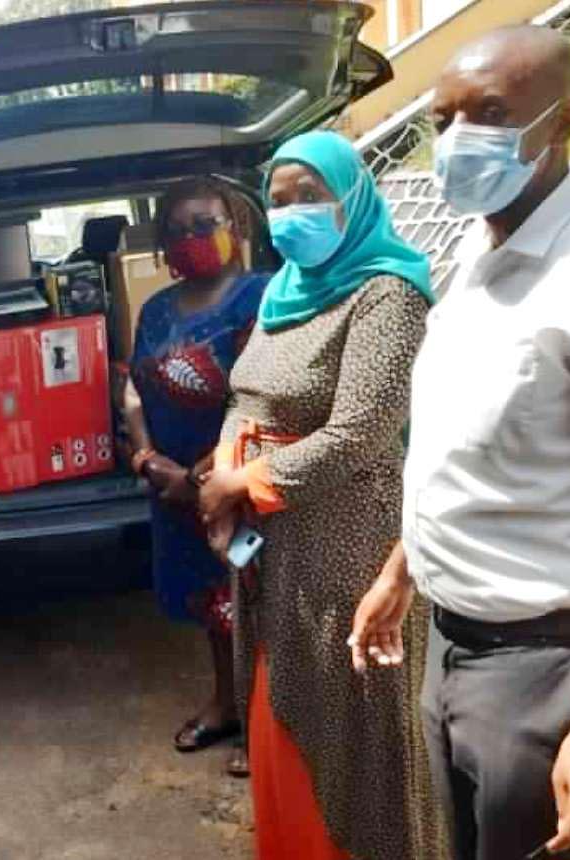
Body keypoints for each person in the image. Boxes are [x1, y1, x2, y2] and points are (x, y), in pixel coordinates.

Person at [348, 26, 570, 860]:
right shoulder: (472, 253)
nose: (456, 141)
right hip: (451, 641)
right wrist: (400, 571)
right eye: (444, 116)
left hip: (540, 661)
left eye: (489, 113)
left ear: (564, 121)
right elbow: (458, 451)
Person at [197, 131, 443, 860]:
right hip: (274, 555)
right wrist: (222, 472)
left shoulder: (388, 294)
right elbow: (248, 395)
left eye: (311, 196)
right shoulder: (282, 290)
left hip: (352, 559)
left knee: (353, 743)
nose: (292, 213)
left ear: (353, 199)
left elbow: (360, 432)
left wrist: (243, 484)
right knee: (282, 727)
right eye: (278, 200)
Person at [123, 177, 267, 775]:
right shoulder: (157, 307)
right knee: (212, 605)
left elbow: (261, 397)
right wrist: (149, 460)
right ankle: (226, 703)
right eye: (177, 232)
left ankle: (267, 724)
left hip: (241, 485)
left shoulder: (262, 296)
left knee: (256, 600)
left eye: (204, 224)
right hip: (173, 491)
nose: (192, 240)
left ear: (234, 226)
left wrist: (205, 475)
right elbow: (133, 387)